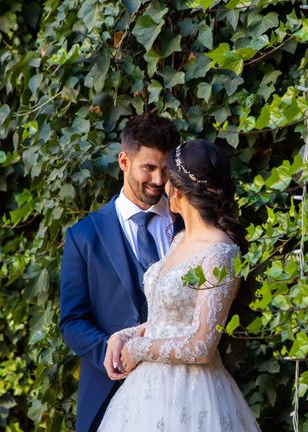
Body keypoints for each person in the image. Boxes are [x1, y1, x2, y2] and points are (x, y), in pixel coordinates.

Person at [97, 139, 260, 431]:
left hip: (194, 393)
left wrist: (139, 349)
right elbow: (168, 319)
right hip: (145, 394)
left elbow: (202, 345)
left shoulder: (220, 252)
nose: (162, 186)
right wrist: (122, 336)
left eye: (168, 179)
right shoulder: (179, 240)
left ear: (181, 188)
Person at [59, 114, 182, 432]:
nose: (158, 181)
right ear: (124, 161)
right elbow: (72, 321)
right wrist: (109, 351)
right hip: (110, 392)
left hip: (183, 389)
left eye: (166, 170)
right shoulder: (84, 236)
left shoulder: (189, 225)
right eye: (149, 168)